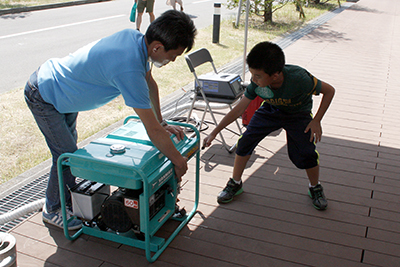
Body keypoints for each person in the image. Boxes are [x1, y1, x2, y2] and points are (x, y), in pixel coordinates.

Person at [24, 10, 197, 230]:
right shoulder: (128, 67)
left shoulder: (135, 40)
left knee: (68, 154)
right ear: (157, 47)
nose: (172, 60)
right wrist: (178, 160)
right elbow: (152, 131)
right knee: (66, 156)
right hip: (45, 94)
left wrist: (162, 122)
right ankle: (53, 209)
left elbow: (150, 83)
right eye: (173, 55)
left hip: (65, 94)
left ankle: (68, 201)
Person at [203, 41, 335, 210]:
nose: (253, 79)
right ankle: (235, 183)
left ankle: (315, 187)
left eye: (257, 76)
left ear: (276, 75)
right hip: (271, 110)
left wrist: (316, 120)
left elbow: (329, 91)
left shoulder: (299, 78)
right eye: (251, 74)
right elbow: (238, 110)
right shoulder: (257, 85)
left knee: (306, 152)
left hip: (298, 114)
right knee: (245, 141)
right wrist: (214, 132)